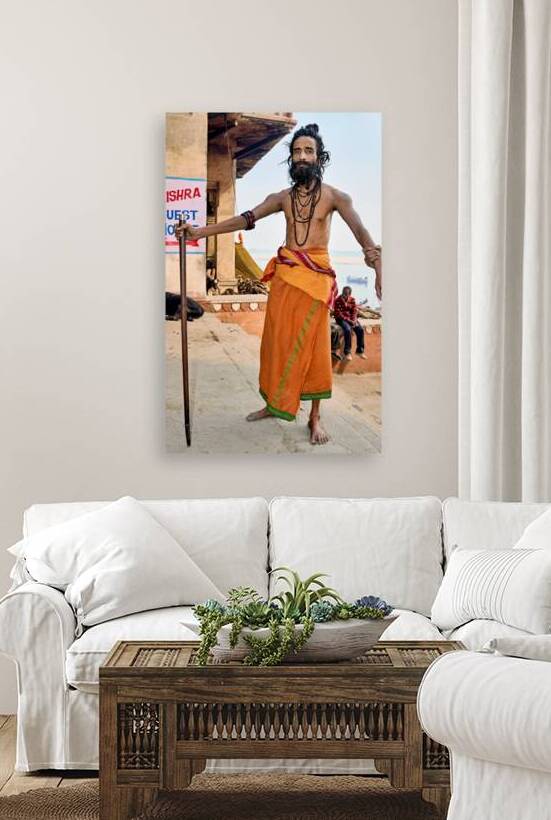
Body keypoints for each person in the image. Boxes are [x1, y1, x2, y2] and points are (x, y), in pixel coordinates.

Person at [176, 122, 381, 445]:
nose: (302, 156)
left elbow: (362, 235)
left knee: (316, 351)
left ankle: (315, 418)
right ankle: (274, 405)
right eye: (297, 151)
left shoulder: (335, 198)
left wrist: (378, 266)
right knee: (275, 346)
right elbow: (246, 218)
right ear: (291, 159)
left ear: (319, 157)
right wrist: (200, 232)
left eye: (308, 151)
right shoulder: (282, 198)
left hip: (315, 284)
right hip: (285, 281)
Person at [333, 286, 366, 361]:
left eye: (346, 294)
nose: (344, 296)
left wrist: (354, 320)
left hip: (351, 319)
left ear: (349, 294)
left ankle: (360, 351)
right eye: (343, 294)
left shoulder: (352, 300)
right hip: (341, 319)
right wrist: (349, 321)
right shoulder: (337, 300)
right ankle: (347, 352)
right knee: (347, 329)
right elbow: (339, 314)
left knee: (360, 329)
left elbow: (354, 311)